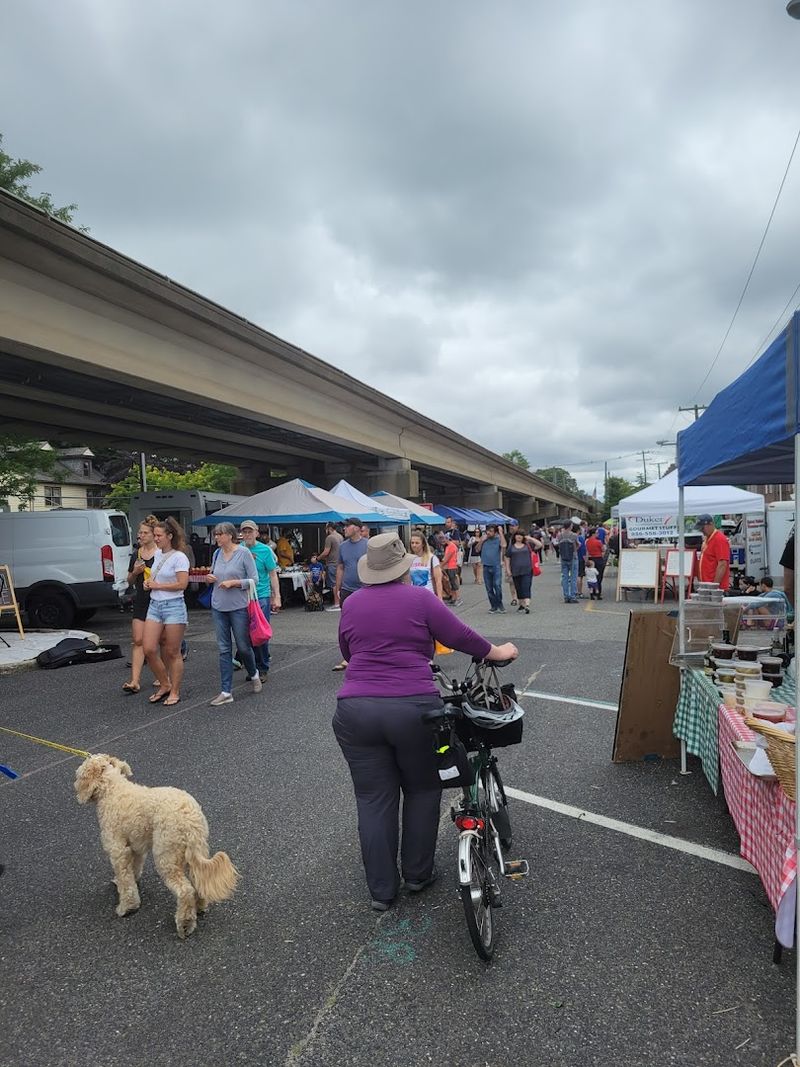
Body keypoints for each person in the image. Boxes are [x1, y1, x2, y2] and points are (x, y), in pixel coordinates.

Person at [332, 532, 519, 911]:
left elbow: (347, 650)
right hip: (413, 708)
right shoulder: (420, 599)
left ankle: (382, 892)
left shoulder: (351, 604)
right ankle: (417, 873)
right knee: (421, 789)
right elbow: (461, 636)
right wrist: (500, 651)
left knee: (372, 799)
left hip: (355, 710)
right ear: (404, 567)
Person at [206, 522, 261, 706]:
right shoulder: (216, 554)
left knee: (243, 647)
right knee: (224, 649)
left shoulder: (243, 553)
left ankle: (254, 673)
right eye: (215, 534)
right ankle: (226, 691)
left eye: (219, 534)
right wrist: (209, 578)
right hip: (218, 605)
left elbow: (254, 579)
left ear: (230, 535)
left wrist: (234, 583)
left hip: (238, 606)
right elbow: (213, 574)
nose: (216, 537)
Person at [142, 517, 190, 707]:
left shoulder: (179, 557)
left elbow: (182, 584)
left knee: (172, 651)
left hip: (174, 605)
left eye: (159, 535)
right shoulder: (158, 555)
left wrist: (158, 585)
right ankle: (164, 683)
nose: (156, 539)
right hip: (155, 604)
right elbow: (156, 578)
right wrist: (149, 584)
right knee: (148, 648)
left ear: (170, 536)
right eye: (155, 535)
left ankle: (174, 691)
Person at [122, 516, 159, 694]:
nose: (141, 536)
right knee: (138, 640)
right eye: (140, 533)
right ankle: (135, 681)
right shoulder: (136, 554)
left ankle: (161, 676)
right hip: (141, 600)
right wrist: (135, 572)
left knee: (160, 641)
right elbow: (129, 581)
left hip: (158, 599)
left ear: (153, 534)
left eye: (145, 533)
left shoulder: (161, 553)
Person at [239, 519, 280, 678]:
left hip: (261, 595)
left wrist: (276, 596)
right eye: (244, 532)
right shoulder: (238, 549)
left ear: (256, 533)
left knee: (260, 632)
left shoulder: (265, 550)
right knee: (245, 634)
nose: (247, 534)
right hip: (242, 596)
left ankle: (262, 668)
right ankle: (253, 668)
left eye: (250, 531)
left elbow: (272, 574)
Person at [332, 518, 369, 671]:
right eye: (345, 526)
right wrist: (338, 587)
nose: (345, 528)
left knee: (367, 622)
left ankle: (367, 653)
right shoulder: (342, 546)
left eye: (348, 526)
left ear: (358, 528)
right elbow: (340, 567)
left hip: (365, 589)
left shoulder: (368, 545)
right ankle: (348, 656)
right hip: (347, 589)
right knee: (347, 624)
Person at [505, 530, 537, 614]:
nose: (519, 536)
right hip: (515, 571)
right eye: (517, 535)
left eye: (521, 535)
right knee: (518, 588)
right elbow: (507, 558)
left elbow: (539, 545)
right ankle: (522, 605)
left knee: (526, 587)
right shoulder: (511, 547)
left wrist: (530, 538)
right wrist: (508, 569)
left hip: (527, 570)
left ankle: (527, 605)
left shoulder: (527, 545)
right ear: (514, 537)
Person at [696, 514, 730, 590]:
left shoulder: (719, 539)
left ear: (710, 524)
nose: (701, 531)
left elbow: (722, 564)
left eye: (702, 528)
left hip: (716, 589)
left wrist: (714, 587)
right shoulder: (708, 539)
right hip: (708, 586)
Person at [477, 523, 506, 612]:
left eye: (491, 531)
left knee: (497, 585)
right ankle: (493, 605)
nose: (488, 533)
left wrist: (501, 532)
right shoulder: (484, 539)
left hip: (496, 566)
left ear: (495, 532)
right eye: (487, 531)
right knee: (489, 588)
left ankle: (500, 603)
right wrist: (481, 541)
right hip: (486, 566)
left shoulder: (498, 539)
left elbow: (504, 545)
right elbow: (477, 549)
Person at [409, 529, 443, 597]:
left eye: (417, 543)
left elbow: (438, 581)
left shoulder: (432, 558)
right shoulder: (409, 559)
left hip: (429, 596)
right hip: (414, 596)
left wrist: (440, 599)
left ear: (423, 544)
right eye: (412, 543)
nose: (414, 545)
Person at [319, 521, 343, 610]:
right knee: (340, 583)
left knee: (334, 584)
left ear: (329, 528)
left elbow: (326, 552)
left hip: (332, 563)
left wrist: (318, 558)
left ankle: (336, 603)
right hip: (340, 563)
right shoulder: (340, 536)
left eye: (326, 528)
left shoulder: (329, 537)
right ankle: (340, 602)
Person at [558, 519, 579, 603]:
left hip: (563, 557)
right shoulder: (574, 535)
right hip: (573, 557)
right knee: (573, 577)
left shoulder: (560, 535)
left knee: (565, 577)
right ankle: (573, 596)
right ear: (570, 526)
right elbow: (577, 545)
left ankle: (566, 596)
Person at [585, 526, 606, 601]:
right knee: (599, 576)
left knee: (591, 576)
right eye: (597, 533)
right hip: (598, 558)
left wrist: (586, 561)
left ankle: (592, 592)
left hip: (591, 558)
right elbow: (603, 550)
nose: (598, 534)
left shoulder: (587, 541)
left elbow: (587, 551)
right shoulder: (598, 542)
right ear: (593, 534)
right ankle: (598, 593)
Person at [441, 536, 462, 606]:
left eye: (444, 539)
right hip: (448, 567)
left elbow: (447, 558)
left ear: (448, 539)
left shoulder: (452, 546)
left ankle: (458, 598)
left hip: (452, 566)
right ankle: (453, 598)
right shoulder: (448, 546)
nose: (443, 541)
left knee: (454, 583)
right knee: (451, 583)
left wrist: (440, 566)